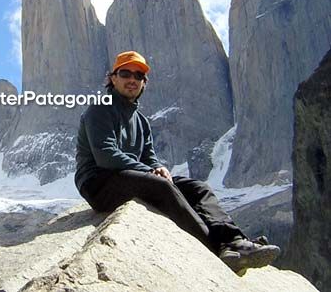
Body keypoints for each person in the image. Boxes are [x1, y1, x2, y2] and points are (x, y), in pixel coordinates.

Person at [74, 50, 280, 273]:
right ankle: (218, 249)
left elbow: (148, 155)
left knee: (197, 188)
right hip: (97, 182)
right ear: (113, 78)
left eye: (139, 76)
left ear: (144, 83)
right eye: (125, 73)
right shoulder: (100, 109)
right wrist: (149, 172)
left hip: (129, 177)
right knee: (161, 186)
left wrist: (157, 167)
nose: (132, 79)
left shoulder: (141, 121)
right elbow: (105, 155)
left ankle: (235, 241)